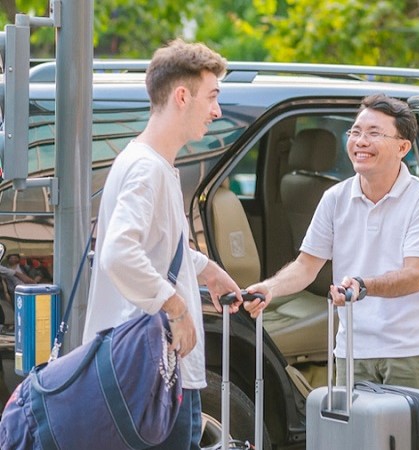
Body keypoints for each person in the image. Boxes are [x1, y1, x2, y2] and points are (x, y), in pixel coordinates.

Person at [81, 39, 266, 450]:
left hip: (144, 373)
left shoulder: (146, 161)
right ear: (182, 96)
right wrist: (178, 309)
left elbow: (153, 244)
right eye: (212, 96)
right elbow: (119, 252)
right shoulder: (148, 169)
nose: (217, 110)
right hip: (153, 374)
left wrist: (206, 270)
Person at [247, 94, 419, 390]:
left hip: (410, 351)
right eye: (355, 132)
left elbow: (415, 276)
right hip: (352, 348)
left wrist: (363, 285)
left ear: (403, 147)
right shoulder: (335, 198)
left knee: (409, 438)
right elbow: (306, 266)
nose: (360, 141)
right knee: (355, 437)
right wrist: (269, 288)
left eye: (374, 133)